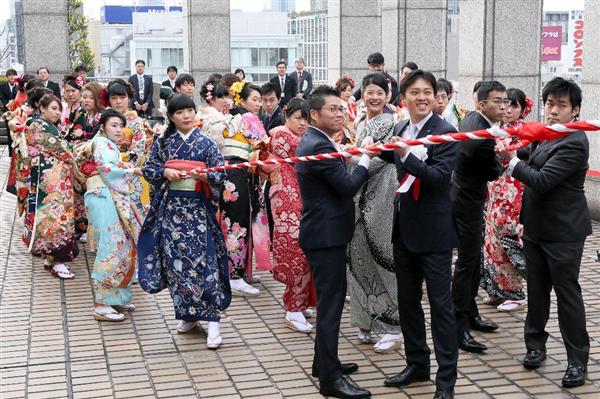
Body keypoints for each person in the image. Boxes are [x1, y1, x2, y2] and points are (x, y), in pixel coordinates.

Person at [497, 77, 592, 388]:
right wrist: (506, 146)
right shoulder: (546, 134)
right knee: (537, 292)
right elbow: (528, 155)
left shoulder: (575, 140)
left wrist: (511, 162)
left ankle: (577, 361)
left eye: (561, 106)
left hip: (564, 232)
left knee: (568, 296)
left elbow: (542, 179)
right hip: (536, 227)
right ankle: (535, 346)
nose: (552, 111)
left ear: (575, 111)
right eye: (549, 104)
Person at [379, 70, 458, 399]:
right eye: (415, 92)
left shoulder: (446, 133)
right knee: (408, 303)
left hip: (435, 234)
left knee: (440, 307)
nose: (422, 97)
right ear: (404, 97)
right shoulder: (399, 127)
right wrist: (373, 149)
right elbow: (392, 156)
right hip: (404, 230)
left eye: (428, 91)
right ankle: (416, 363)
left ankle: (446, 381)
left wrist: (405, 155)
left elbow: (438, 179)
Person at [296, 85, 374, 399]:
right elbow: (346, 187)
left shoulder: (319, 140)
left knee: (331, 302)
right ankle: (330, 381)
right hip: (324, 236)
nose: (340, 114)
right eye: (332, 109)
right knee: (330, 306)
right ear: (314, 114)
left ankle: (324, 363)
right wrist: (366, 158)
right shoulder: (317, 145)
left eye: (342, 109)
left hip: (325, 233)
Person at [139, 94, 231, 349]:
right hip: (171, 211)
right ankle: (188, 314)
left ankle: (213, 320)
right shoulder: (163, 142)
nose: (186, 116)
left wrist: (204, 176)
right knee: (176, 264)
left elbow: (220, 173)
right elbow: (148, 169)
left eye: (189, 110)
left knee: (206, 262)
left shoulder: (206, 142)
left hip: (199, 210)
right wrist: (164, 172)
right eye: (179, 112)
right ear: (171, 116)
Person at [451, 81, 507, 354]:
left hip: (468, 196)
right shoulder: (481, 130)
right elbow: (491, 169)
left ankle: (470, 313)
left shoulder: (475, 120)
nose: (503, 106)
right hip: (465, 199)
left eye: (505, 101)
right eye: (497, 101)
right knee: (468, 261)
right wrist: (502, 160)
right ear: (482, 103)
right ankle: (458, 325)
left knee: (472, 261)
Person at [348, 73, 402, 353]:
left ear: (388, 96)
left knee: (384, 256)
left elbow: (382, 159)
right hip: (361, 193)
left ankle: (393, 326)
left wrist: (353, 158)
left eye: (380, 93)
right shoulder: (360, 122)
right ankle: (367, 319)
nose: (374, 97)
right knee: (359, 257)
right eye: (369, 92)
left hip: (381, 193)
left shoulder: (392, 123)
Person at [74, 109, 145, 321]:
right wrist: (132, 171)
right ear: (103, 125)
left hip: (106, 194)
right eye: (113, 125)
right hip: (103, 194)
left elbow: (114, 166)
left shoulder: (106, 145)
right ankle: (102, 303)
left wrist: (129, 168)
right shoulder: (101, 144)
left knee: (121, 243)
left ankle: (118, 298)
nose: (118, 130)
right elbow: (108, 170)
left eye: (121, 126)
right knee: (110, 245)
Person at [480, 88, 532, 312]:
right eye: (504, 104)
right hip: (495, 189)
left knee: (507, 236)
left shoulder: (526, 132)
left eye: (513, 105)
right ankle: (497, 289)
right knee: (490, 237)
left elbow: (526, 157)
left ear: (522, 110)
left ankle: (516, 293)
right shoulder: (495, 129)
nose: (508, 109)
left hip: (513, 190)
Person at [269, 98, 316, 333]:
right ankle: (293, 308)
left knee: (305, 249)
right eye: (298, 118)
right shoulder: (282, 136)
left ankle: (299, 301)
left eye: (307, 119)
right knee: (295, 249)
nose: (303, 123)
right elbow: (309, 149)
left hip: (298, 195)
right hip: (286, 197)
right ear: (286, 116)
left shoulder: (299, 138)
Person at [22, 94, 79, 278]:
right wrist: (74, 154)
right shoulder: (37, 125)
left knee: (56, 216)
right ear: (42, 108)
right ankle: (57, 261)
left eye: (59, 109)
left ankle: (51, 258)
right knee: (54, 218)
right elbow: (60, 149)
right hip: (49, 182)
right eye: (53, 108)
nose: (56, 112)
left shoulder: (49, 126)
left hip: (56, 180)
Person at [222, 82, 271, 295]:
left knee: (236, 220)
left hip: (232, 170)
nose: (258, 104)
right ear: (241, 100)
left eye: (260, 100)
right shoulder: (248, 118)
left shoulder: (230, 116)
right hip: (238, 171)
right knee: (239, 221)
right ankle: (235, 275)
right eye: (255, 99)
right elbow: (264, 142)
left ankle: (241, 270)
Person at [107, 78, 152, 207]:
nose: (118, 101)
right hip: (109, 172)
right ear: (109, 100)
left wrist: (114, 163)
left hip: (132, 173)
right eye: (114, 98)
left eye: (122, 97)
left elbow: (137, 151)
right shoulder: (105, 122)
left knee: (134, 216)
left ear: (129, 99)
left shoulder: (137, 122)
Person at [197, 79, 236, 151]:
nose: (225, 100)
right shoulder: (210, 116)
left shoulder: (202, 113)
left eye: (226, 97)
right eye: (221, 97)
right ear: (211, 99)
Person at [334, 76, 357, 145]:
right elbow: (347, 124)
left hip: (354, 134)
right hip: (342, 136)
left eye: (349, 90)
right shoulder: (338, 106)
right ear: (339, 91)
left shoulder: (353, 105)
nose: (347, 93)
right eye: (344, 91)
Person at [60, 75, 83, 142]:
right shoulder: (64, 106)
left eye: (73, 91)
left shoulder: (83, 107)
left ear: (80, 91)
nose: (70, 94)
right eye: (67, 91)